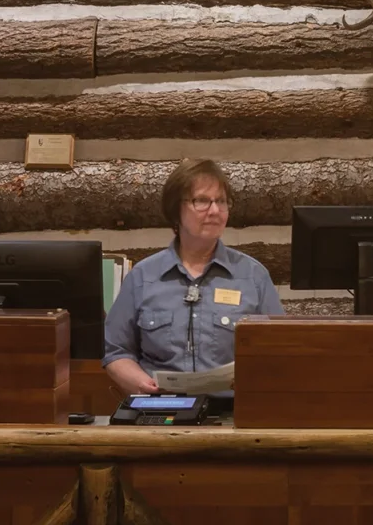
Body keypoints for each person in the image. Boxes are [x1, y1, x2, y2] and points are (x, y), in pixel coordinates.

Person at [103, 159, 281, 395]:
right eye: (202, 201)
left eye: (221, 201)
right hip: (159, 409)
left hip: (232, 415)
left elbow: (279, 350)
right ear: (176, 209)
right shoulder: (143, 277)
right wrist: (140, 384)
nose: (215, 211)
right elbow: (116, 351)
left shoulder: (253, 276)